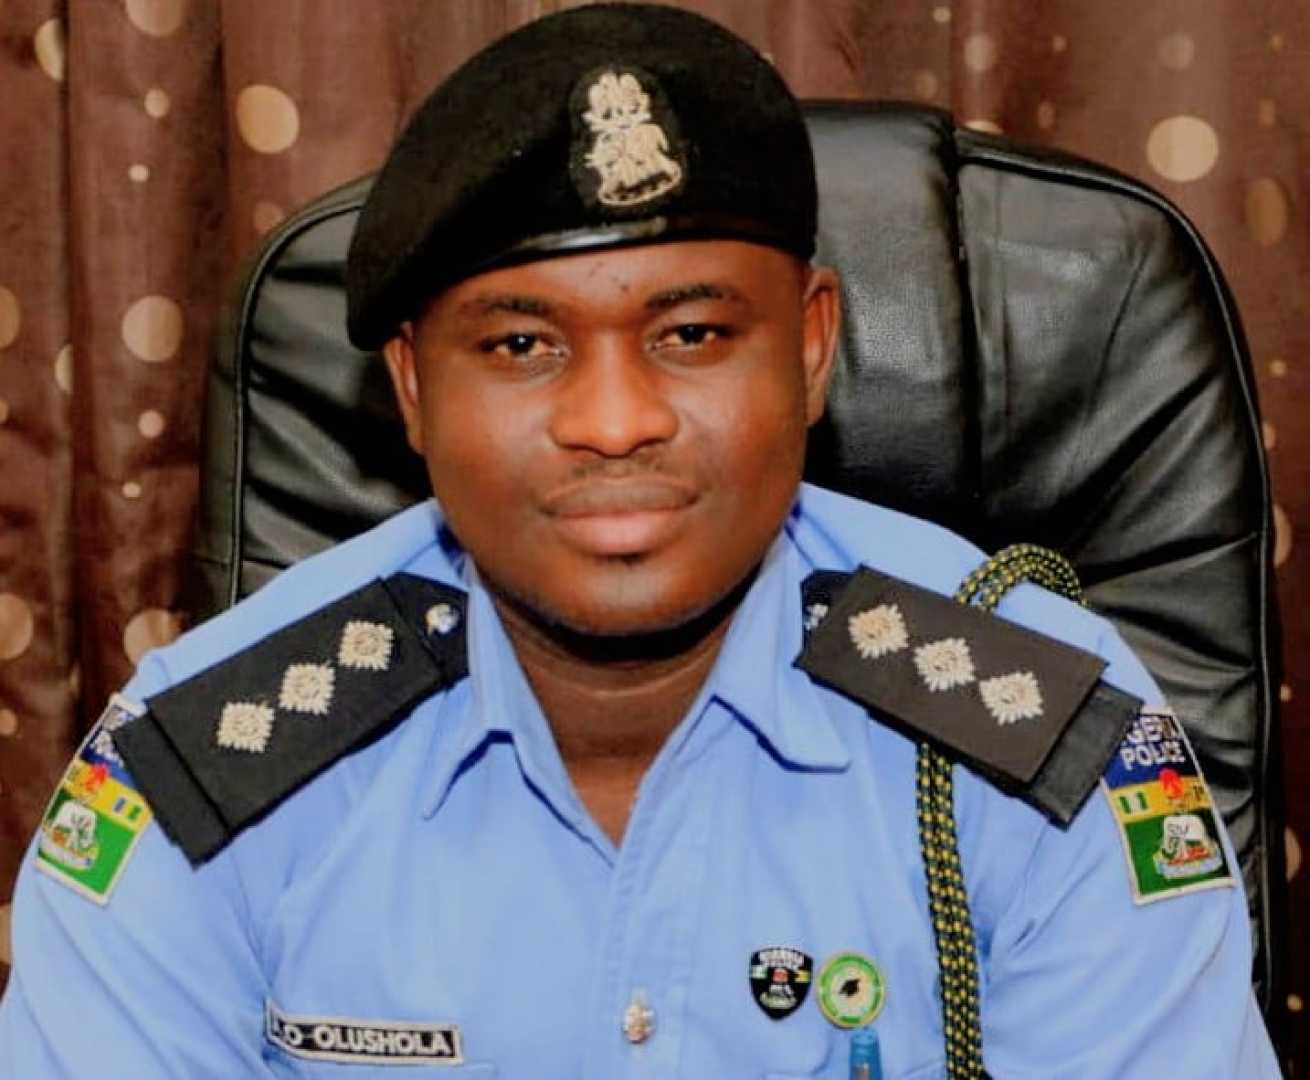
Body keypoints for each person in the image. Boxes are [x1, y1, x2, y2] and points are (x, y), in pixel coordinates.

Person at [0, 4, 1281, 1077]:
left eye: (691, 335)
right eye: (520, 344)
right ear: (411, 388)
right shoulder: (202, 771)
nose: (614, 423)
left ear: (810, 346)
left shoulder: (1039, 736)